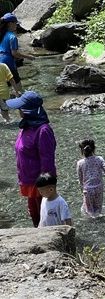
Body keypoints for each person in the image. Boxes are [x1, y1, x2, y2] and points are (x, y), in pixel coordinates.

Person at [6, 91, 57, 227]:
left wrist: (46, 189)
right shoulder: (26, 127)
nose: (18, 110)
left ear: (28, 111)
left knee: (44, 218)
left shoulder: (43, 130)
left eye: (20, 108)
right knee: (34, 215)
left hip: (39, 185)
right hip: (27, 180)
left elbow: (48, 161)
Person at [77, 139, 105, 218]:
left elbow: (80, 179)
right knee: (98, 211)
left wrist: (82, 190)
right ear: (94, 148)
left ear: (82, 150)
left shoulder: (80, 163)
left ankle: (93, 227)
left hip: (88, 190)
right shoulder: (99, 159)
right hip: (99, 188)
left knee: (89, 212)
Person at [0, 13, 35, 92]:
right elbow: (14, 54)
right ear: (10, 23)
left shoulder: (1, 34)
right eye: (15, 23)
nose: (17, 25)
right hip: (8, 63)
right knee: (18, 88)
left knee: (4, 85)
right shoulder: (12, 37)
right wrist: (29, 57)